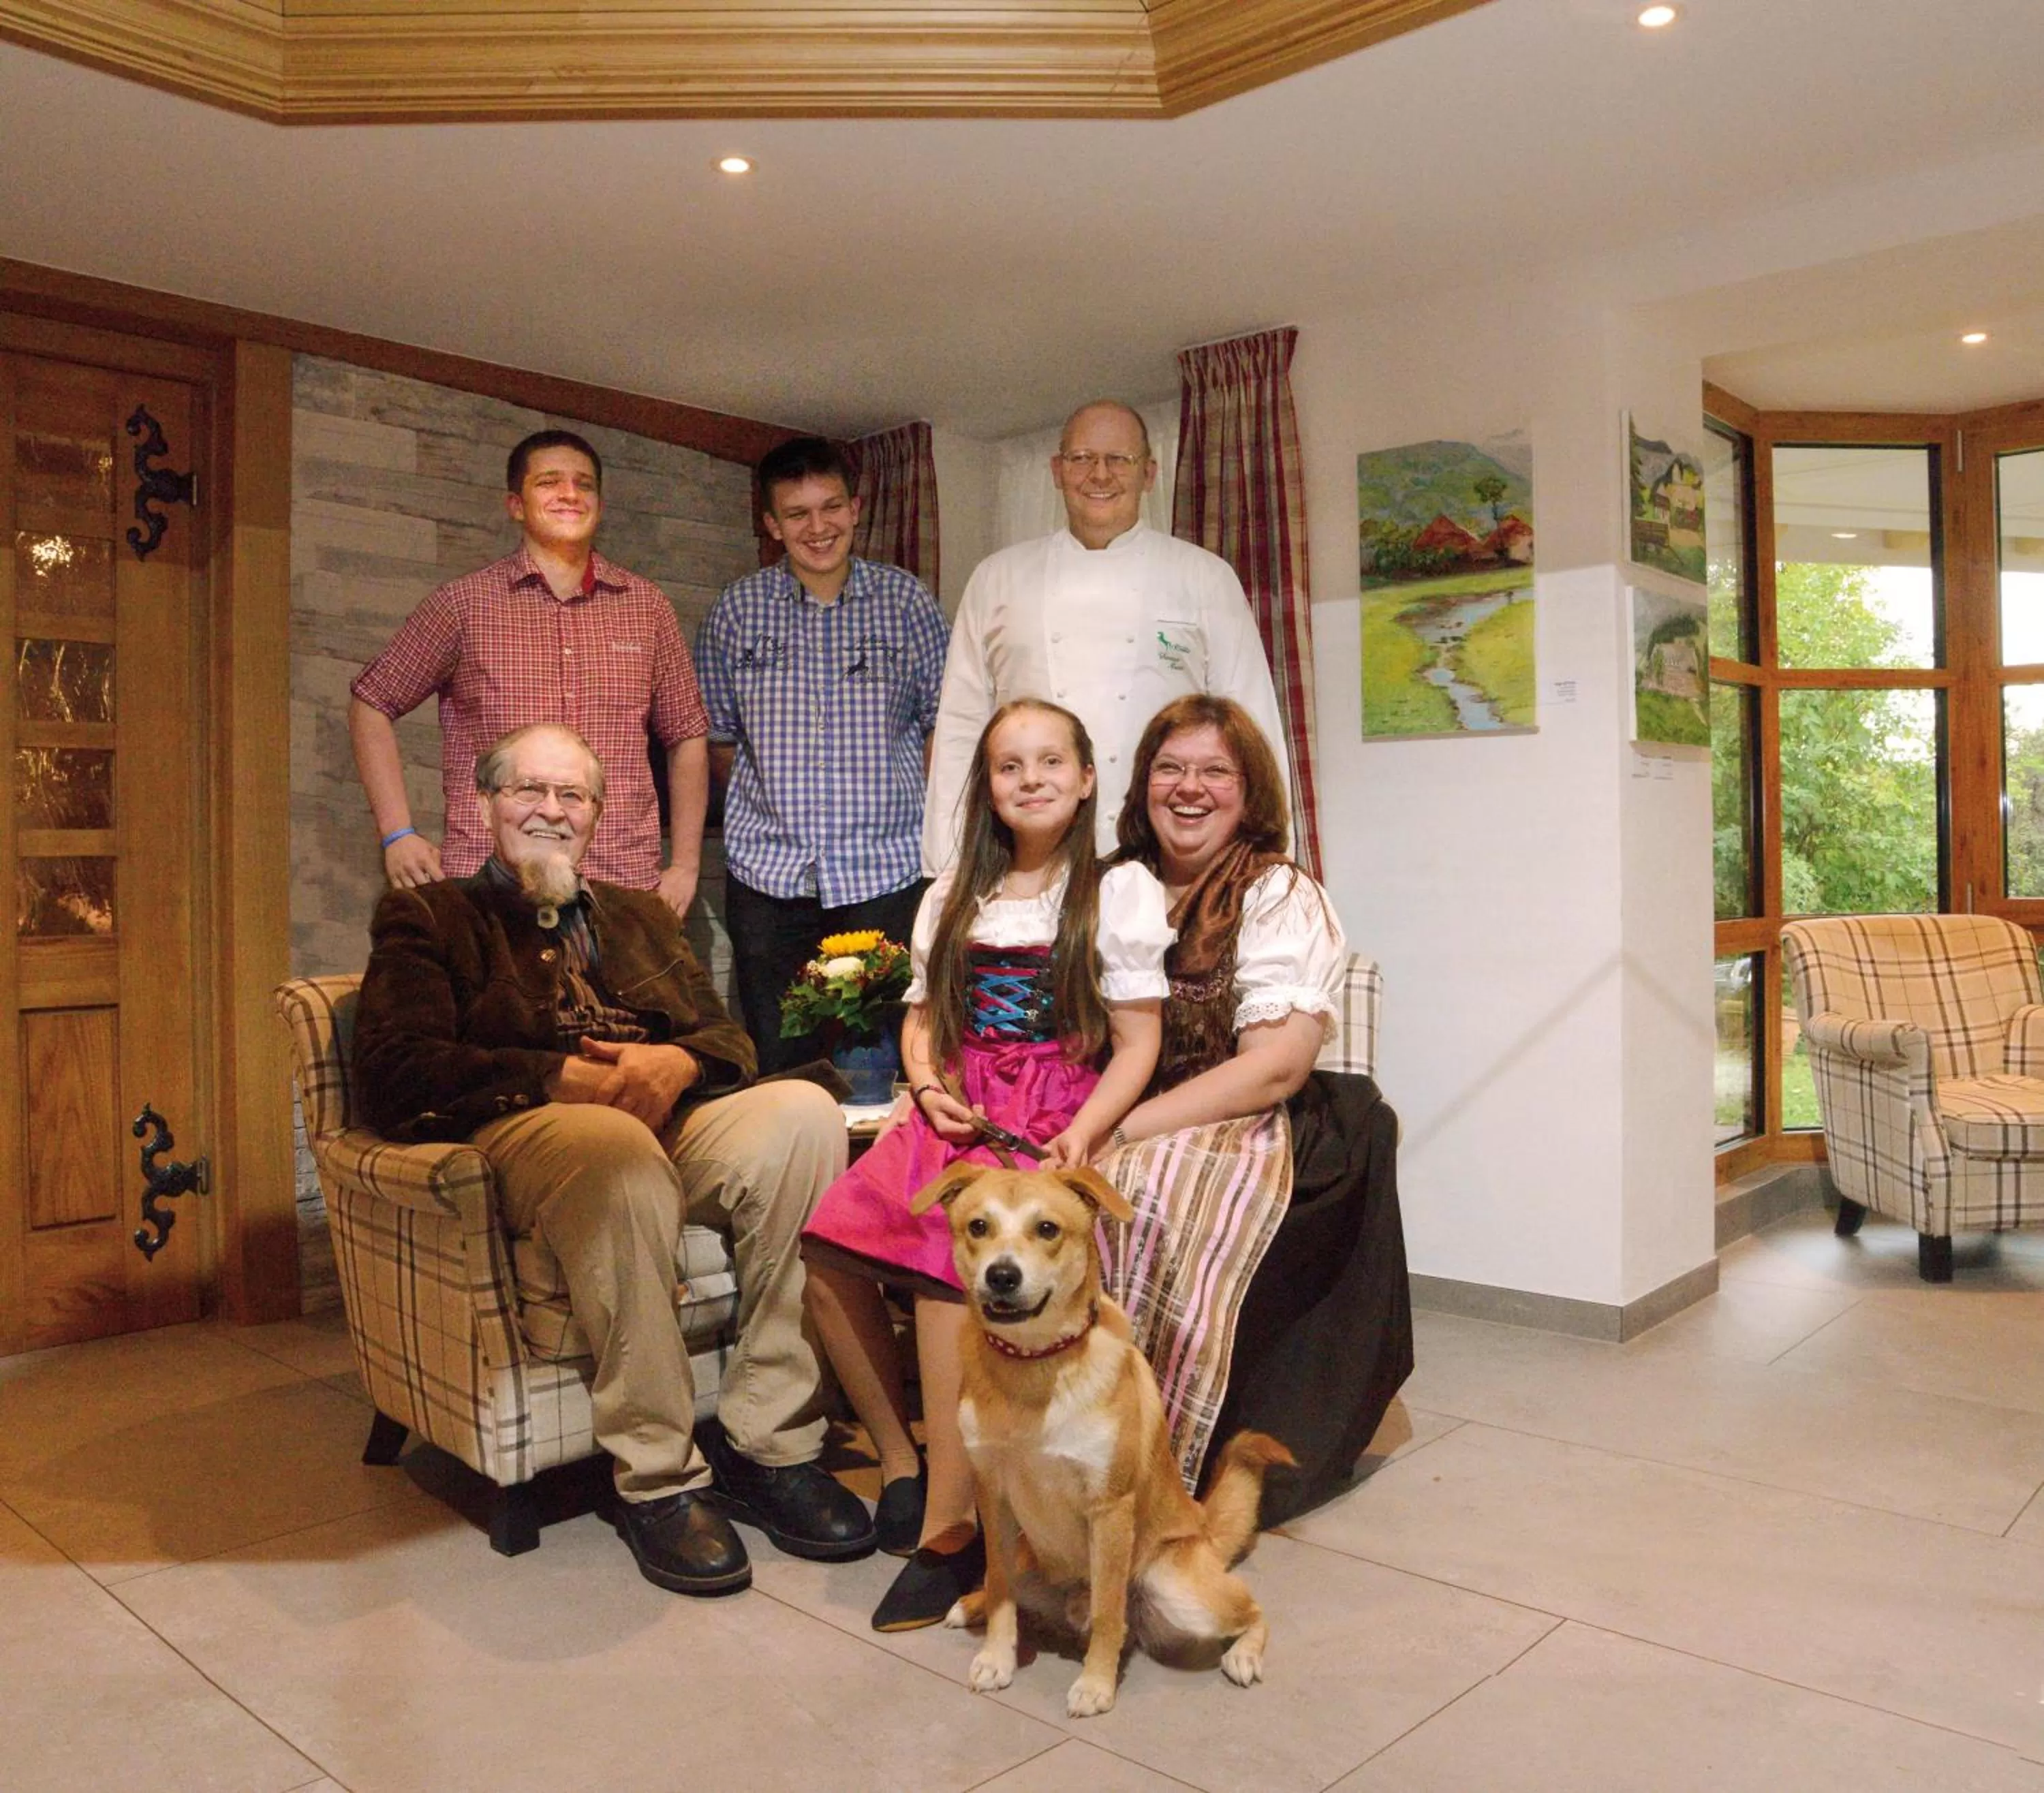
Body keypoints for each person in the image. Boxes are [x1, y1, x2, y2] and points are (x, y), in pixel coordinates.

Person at [351, 723, 876, 1596]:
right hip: (534, 1131)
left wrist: (680, 1063)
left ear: (597, 816)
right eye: (529, 790)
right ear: (485, 803)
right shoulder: (431, 912)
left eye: (574, 797)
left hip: (666, 1118)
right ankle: (660, 1476)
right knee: (612, 1142)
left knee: (803, 1114)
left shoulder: (637, 915)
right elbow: (396, 1069)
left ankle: (769, 1445)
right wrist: (559, 1077)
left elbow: (729, 1037)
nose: (551, 811)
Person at [799, 699, 1173, 1631]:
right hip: (958, 1106)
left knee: (940, 1269)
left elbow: (1138, 1041)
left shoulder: (1116, 892)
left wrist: (1087, 1131)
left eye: (1053, 761)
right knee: (825, 1252)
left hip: (1049, 1111)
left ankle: (949, 1530)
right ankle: (902, 1460)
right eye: (1012, 766)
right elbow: (921, 1021)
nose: (1033, 778)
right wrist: (924, 1089)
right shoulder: (955, 890)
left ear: (1088, 779)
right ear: (990, 788)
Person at [1096, 695, 1412, 1521]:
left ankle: (1152, 1451)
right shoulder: (1110, 884)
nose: (1189, 788)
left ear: (1250, 791)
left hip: (1252, 1126)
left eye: (1214, 772)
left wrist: (1120, 1132)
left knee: (1137, 1184)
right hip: (1115, 1109)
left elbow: (1273, 1068)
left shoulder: (1276, 892)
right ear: (1142, 783)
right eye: (1170, 767)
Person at [350, 428, 709, 916]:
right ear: (516, 505)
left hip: (621, 882)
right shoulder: (465, 604)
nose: (569, 494)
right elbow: (373, 701)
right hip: (493, 886)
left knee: (621, 997)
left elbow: (686, 733)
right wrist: (398, 834)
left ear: (599, 506)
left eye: (584, 485)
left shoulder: (646, 608)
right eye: (549, 482)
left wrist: (685, 864)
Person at [922, 399, 1291, 869]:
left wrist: (1268, 862)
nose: (1100, 475)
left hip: (1170, 847)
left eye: (1120, 459)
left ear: (1149, 473)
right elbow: (961, 728)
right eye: (1082, 459)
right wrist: (948, 866)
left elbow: (1250, 723)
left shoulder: (1203, 577)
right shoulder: (997, 578)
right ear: (1057, 470)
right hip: (1033, 850)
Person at [696, 436, 948, 1071]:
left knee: (878, 1062)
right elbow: (718, 740)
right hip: (768, 884)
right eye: (798, 514)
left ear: (856, 508)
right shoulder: (737, 610)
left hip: (881, 876)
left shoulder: (907, 604)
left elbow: (941, 730)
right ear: (772, 524)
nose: (818, 527)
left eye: (831, 507)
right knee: (784, 1061)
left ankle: (877, 1175)